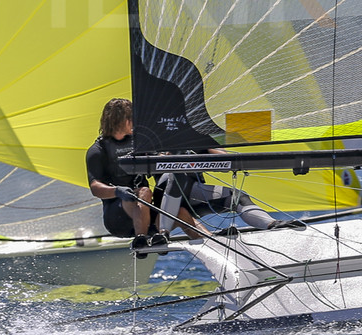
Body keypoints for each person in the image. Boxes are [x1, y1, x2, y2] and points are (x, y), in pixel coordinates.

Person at [85, 98, 167, 255]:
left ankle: (208, 236)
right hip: (117, 218)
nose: (136, 122)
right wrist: (117, 191)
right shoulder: (97, 150)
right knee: (143, 192)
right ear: (119, 121)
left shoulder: (140, 143)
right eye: (131, 118)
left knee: (175, 205)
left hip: (145, 213)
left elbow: (159, 164)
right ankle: (141, 241)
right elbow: (95, 187)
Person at [155, 170, 276, 239]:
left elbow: (223, 158)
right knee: (177, 174)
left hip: (192, 195)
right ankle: (163, 233)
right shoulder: (149, 139)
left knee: (238, 196)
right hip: (162, 205)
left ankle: (271, 223)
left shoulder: (192, 138)